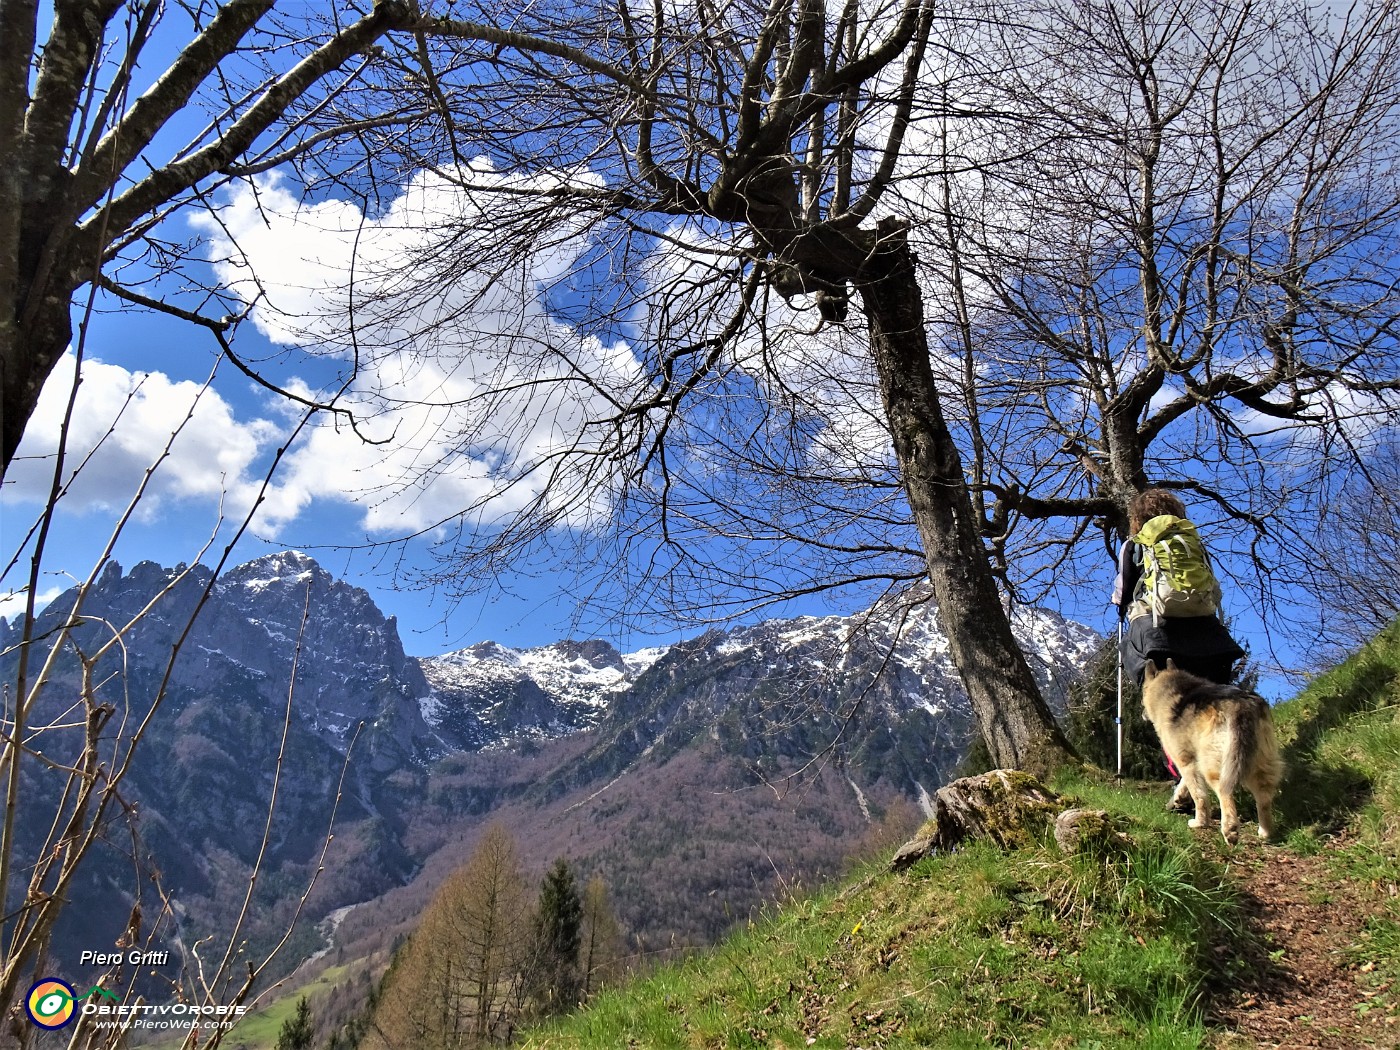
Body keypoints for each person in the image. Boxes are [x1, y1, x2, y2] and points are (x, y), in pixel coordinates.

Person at [1113, 488, 1245, 808]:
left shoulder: (1135, 545)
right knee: (1210, 711)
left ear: (1137, 519)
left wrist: (1122, 608)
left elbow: (1123, 592)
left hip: (1158, 635)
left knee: (1168, 715)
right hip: (1208, 636)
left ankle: (1185, 783)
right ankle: (1210, 777)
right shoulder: (1192, 543)